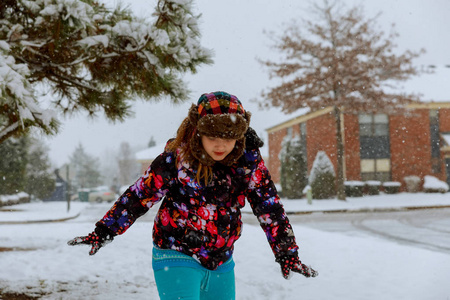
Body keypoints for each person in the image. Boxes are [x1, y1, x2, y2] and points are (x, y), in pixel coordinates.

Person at [68, 91, 318, 300]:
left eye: (228, 138)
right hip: (175, 252)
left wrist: (287, 253)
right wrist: (104, 230)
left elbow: (269, 207)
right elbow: (138, 196)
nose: (220, 145)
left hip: (222, 261)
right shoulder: (177, 158)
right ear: (198, 132)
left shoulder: (248, 162)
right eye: (212, 138)